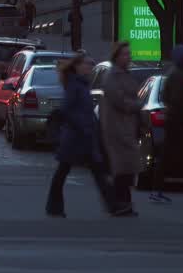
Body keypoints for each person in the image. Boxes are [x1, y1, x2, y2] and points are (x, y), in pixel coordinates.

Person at [46, 52, 115, 218]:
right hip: (75, 136)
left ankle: (113, 204)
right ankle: (54, 206)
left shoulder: (82, 84)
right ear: (78, 66)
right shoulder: (74, 85)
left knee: (96, 171)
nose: (90, 67)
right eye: (87, 64)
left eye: (91, 64)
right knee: (64, 171)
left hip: (85, 136)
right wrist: (81, 124)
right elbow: (67, 109)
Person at [100, 42, 142, 217]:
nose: (128, 57)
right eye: (125, 54)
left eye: (129, 54)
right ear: (117, 57)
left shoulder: (125, 74)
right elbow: (120, 101)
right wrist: (137, 105)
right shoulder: (112, 77)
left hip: (127, 126)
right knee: (121, 167)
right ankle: (120, 203)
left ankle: (124, 203)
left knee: (128, 167)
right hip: (117, 128)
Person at [155, 44, 183, 204]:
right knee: (167, 154)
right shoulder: (180, 75)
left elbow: (165, 96)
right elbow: (178, 99)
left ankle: (158, 188)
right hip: (176, 120)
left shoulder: (174, 73)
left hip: (174, 118)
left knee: (167, 154)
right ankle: (158, 189)